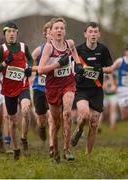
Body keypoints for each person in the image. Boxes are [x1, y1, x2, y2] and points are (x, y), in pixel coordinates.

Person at [38, 17, 81, 162]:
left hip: (68, 84)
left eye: (61, 28)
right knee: (56, 123)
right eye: (56, 28)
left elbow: (74, 53)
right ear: (52, 31)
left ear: (65, 31)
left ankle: (67, 149)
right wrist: (57, 64)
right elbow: (40, 70)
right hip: (52, 87)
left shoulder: (70, 43)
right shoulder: (49, 48)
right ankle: (55, 149)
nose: (59, 30)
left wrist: (78, 63)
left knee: (67, 113)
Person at [0, 21, 36, 160]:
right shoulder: (1, 50)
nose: (11, 34)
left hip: (22, 86)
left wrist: (29, 67)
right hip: (8, 89)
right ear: (5, 34)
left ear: (17, 33)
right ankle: (16, 148)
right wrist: (5, 63)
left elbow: (30, 58)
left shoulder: (23, 47)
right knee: (13, 120)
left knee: (26, 109)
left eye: (13, 31)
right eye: (8, 31)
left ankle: (24, 139)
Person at [70, 22, 113, 155]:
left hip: (97, 90)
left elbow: (110, 68)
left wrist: (99, 69)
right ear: (85, 34)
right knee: (84, 115)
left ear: (99, 34)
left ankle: (88, 155)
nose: (93, 34)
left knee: (94, 123)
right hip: (82, 89)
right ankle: (79, 130)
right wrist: (76, 73)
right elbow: (71, 67)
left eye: (95, 32)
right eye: (90, 31)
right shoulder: (78, 50)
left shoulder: (103, 49)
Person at [31, 21, 54, 156]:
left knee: (52, 117)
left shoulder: (60, 49)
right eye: (49, 32)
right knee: (42, 118)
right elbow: (29, 61)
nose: (51, 34)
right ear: (45, 34)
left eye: (53, 31)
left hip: (53, 88)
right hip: (39, 88)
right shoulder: (39, 49)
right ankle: (41, 127)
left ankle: (52, 146)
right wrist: (33, 71)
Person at [109, 44, 128, 121]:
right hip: (121, 89)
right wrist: (113, 84)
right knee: (124, 116)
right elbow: (110, 70)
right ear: (125, 52)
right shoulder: (120, 61)